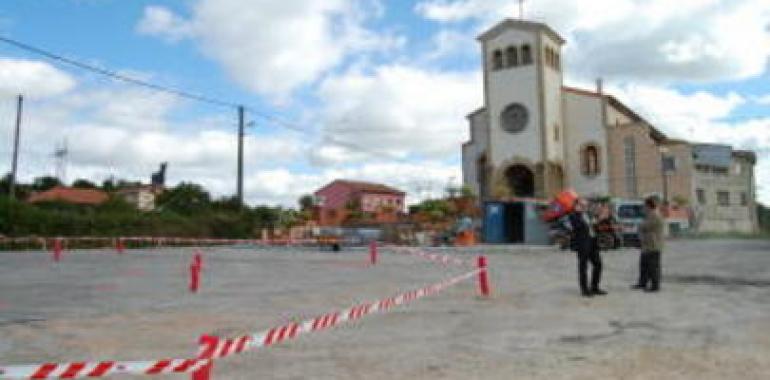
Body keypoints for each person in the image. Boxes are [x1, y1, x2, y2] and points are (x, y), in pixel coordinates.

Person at [565, 198, 606, 297]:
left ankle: (594, 287)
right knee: (583, 267)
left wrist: (598, 221)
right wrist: (595, 221)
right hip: (582, 244)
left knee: (598, 264)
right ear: (576, 205)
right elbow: (578, 227)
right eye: (582, 205)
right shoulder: (573, 215)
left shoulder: (587, 215)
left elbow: (594, 227)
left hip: (592, 242)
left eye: (585, 205)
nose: (585, 206)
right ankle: (584, 290)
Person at [633, 196, 664, 292]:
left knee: (653, 266)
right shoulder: (650, 214)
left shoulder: (655, 215)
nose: (643, 207)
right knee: (644, 265)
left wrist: (640, 226)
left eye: (645, 205)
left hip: (653, 244)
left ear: (649, 205)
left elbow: (645, 226)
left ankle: (655, 286)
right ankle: (642, 282)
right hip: (647, 244)